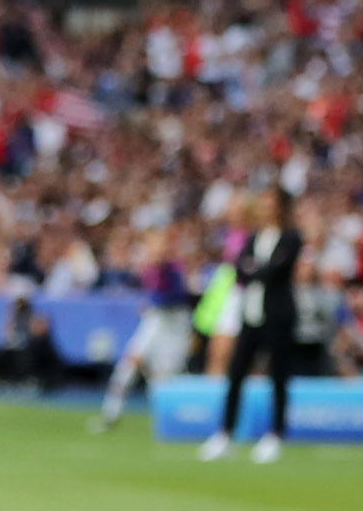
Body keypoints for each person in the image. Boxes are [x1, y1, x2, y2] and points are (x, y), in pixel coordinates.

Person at [199, 190, 300, 464]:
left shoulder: (291, 237)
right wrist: (257, 270)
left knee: (277, 376)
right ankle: (225, 433)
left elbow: (274, 271)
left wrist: (255, 269)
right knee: (236, 373)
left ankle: (275, 434)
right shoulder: (255, 237)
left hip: (277, 315)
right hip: (251, 313)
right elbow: (240, 269)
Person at [92, 228, 194, 432]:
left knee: (164, 377)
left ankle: (169, 421)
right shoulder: (148, 268)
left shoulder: (173, 268)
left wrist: (154, 299)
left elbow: (175, 296)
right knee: (128, 364)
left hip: (173, 323)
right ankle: (111, 413)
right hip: (155, 320)